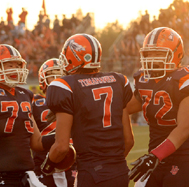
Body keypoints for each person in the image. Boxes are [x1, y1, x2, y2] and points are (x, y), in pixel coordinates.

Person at [41, 34, 134, 187]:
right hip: (120, 172)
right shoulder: (118, 80)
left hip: (91, 173)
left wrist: (47, 166)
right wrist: (111, 167)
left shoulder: (65, 85)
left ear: (74, 57)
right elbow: (129, 140)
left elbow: (61, 146)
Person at [0, 44, 56, 187]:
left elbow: (37, 142)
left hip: (27, 177)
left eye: (18, 65)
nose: (15, 69)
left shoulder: (25, 94)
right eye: (9, 65)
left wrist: (66, 131)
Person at [126, 27, 189, 187]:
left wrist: (155, 156)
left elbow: (185, 128)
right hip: (153, 161)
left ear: (175, 54)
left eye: (158, 53)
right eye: (149, 53)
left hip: (182, 161)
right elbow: (122, 108)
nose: (151, 58)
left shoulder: (187, 80)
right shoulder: (145, 81)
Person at [33, 58, 76, 187]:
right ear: (43, 79)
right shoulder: (33, 102)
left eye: (62, 75)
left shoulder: (75, 100)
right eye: (53, 76)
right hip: (43, 161)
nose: (58, 78)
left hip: (73, 161)